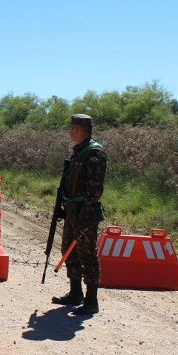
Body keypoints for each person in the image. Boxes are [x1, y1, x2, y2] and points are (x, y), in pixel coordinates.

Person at [52, 114, 107, 315]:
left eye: (70, 128)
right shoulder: (80, 152)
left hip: (85, 213)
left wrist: (86, 213)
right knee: (68, 249)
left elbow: (95, 188)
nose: (69, 132)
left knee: (87, 254)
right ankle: (75, 293)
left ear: (76, 130)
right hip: (73, 211)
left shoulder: (93, 153)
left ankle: (91, 300)